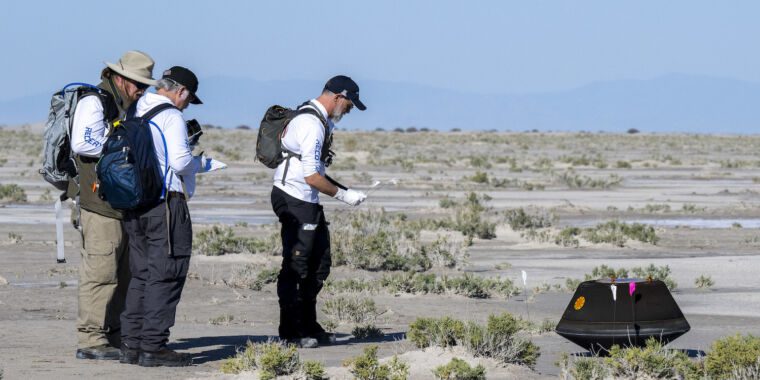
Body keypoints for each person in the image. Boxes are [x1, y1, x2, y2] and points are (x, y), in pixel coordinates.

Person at [69, 50, 156, 360]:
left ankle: (114, 335)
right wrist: (122, 144)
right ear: (120, 79)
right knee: (101, 271)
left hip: (124, 203)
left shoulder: (129, 106)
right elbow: (83, 143)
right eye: (138, 84)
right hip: (98, 205)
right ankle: (91, 339)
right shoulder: (95, 102)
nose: (143, 90)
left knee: (126, 272)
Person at [119, 66, 209, 367]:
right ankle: (153, 347)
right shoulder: (171, 115)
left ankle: (131, 344)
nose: (185, 104)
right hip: (165, 202)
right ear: (181, 91)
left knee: (141, 273)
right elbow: (181, 161)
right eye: (188, 98)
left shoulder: (135, 108)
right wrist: (202, 164)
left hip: (134, 202)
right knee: (167, 273)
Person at [271, 75, 368, 348]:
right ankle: (291, 332)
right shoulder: (311, 123)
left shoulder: (321, 120)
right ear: (338, 97)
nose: (349, 110)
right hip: (294, 197)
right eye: (349, 104)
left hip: (307, 199)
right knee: (297, 265)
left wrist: (343, 191)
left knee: (319, 264)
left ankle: (308, 324)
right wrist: (344, 196)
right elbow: (312, 176)